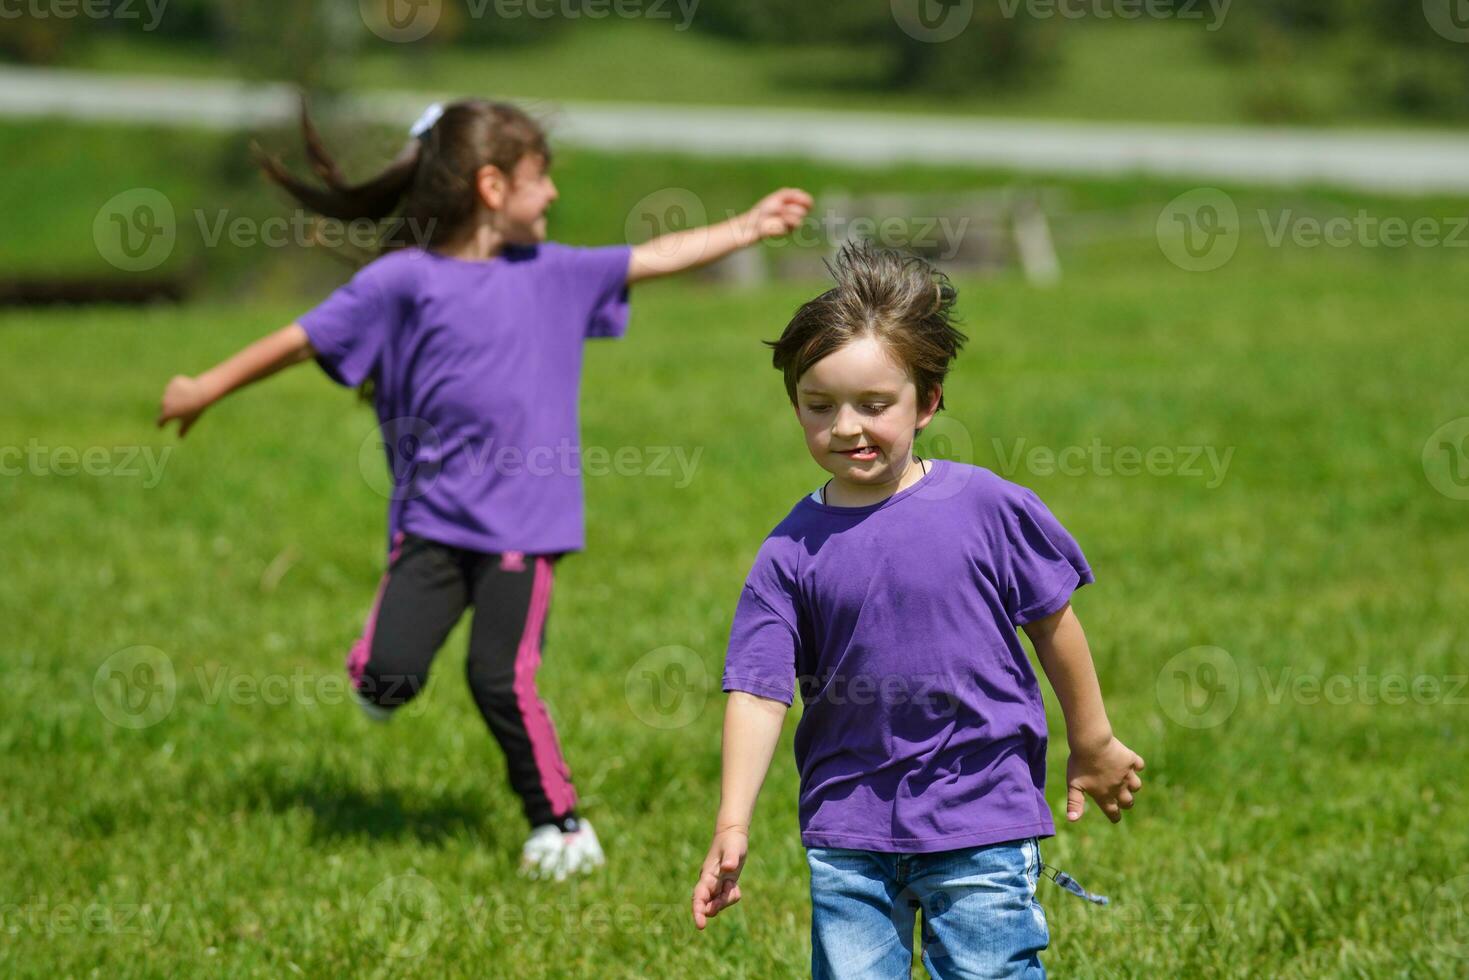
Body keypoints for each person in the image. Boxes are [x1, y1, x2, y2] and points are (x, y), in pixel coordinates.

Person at [157, 98, 812, 881]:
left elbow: (659, 255)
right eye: (543, 180)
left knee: (499, 676)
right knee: (389, 680)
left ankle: (561, 828)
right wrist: (205, 388)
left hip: (524, 530)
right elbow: (298, 341)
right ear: (493, 186)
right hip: (432, 525)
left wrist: (748, 225)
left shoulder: (557, 274)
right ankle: (377, 667)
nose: (555, 197)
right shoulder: (403, 281)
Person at [690, 243, 1144, 977]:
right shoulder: (789, 550)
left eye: (873, 406)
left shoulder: (985, 508)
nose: (845, 427)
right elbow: (757, 688)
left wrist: (1091, 741)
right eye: (819, 406)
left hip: (981, 813)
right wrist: (732, 819)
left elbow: (1053, 623)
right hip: (848, 830)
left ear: (927, 402)